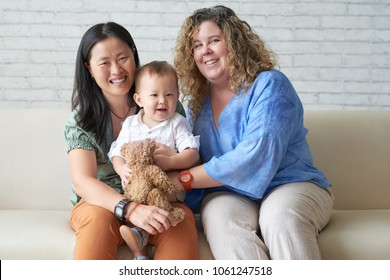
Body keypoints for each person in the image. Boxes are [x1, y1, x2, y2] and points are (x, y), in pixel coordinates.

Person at [169, 5, 334, 260]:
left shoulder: (270, 85)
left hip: (291, 184)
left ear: (235, 44)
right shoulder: (196, 104)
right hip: (231, 193)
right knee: (218, 217)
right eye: (197, 45)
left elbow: (253, 156)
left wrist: (184, 179)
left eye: (214, 40)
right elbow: (189, 153)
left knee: (279, 216)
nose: (206, 51)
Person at [64, 22, 198, 260]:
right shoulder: (81, 120)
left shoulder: (165, 104)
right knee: (97, 220)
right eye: (104, 63)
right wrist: (130, 208)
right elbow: (83, 181)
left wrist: (171, 165)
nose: (116, 70)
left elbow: (187, 159)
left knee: (181, 221)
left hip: (158, 194)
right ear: (89, 69)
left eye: (123, 58)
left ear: (134, 56)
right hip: (99, 203)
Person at [108, 60, 200, 259]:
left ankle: (145, 233)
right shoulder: (131, 124)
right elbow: (117, 152)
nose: (162, 101)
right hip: (138, 189)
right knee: (136, 206)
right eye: (154, 95)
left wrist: (171, 161)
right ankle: (139, 252)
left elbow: (192, 153)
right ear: (139, 99)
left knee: (162, 206)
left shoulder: (177, 122)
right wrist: (122, 169)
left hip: (167, 189)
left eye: (169, 95)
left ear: (177, 96)